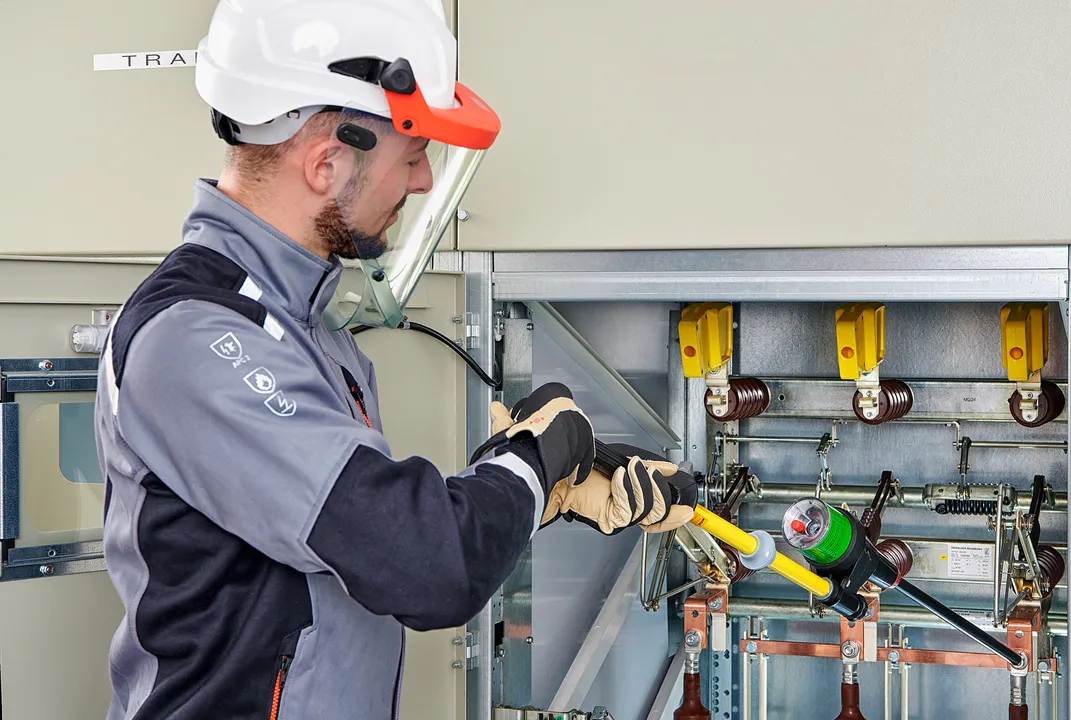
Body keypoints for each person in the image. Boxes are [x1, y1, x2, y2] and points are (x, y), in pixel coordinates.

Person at [93, 1, 695, 718]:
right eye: (413, 156)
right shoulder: (197, 338)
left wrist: (545, 491)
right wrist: (539, 455)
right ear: (327, 162)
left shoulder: (312, 329)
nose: (423, 183)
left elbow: (362, 537)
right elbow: (425, 564)